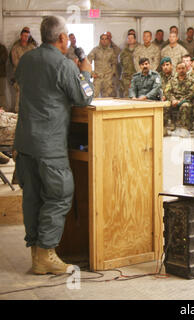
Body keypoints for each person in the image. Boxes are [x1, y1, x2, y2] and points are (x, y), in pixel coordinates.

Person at [14, 16, 94, 275]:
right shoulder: (64, 65)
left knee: (33, 197)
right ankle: (46, 253)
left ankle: (37, 255)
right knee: (59, 195)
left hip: (25, 142)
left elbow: (24, 85)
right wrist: (85, 72)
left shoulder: (26, 59)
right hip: (49, 145)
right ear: (61, 38)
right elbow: (83, 99)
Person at [164, 62, 194, 136]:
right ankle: (164, 128)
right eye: (179, 68)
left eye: (183, 68)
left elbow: (193, 93)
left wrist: (181, 100)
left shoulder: (192, 80)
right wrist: (173, 99)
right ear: (176, 70)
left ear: (186, 69)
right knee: (165, 105)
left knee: (185, 106)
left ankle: (184, 129)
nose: (181, 70)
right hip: (174, 100)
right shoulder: (172, 80)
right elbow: (167, 91)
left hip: (186, 101)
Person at [11, 28, 36, 112]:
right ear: (21, 36)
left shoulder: (32, 48)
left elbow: (36, 61)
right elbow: (16, 62)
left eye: (27, 36)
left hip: (31, 77)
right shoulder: (15, 48)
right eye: (24, 36)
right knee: (19, 96)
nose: (26, 38)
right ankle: (17, 115)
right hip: (20, 77)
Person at [88, 33, 117, 97]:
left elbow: (114, 63)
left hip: (107, 78)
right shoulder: (95, 50)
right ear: (100, 40)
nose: (104, 40)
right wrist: (92, 73)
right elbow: (88, 61)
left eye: (106, 39)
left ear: (108, 40)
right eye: (102, 39)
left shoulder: (111, 51)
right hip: (98, 76)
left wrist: (112, 73)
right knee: (94, 96)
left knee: (107, 97)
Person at [119, 33, 138, 97]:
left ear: (135, 40)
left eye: (132, 38)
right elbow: (120, 62)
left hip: (137, 76)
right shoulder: (123, 52)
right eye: (128, 38)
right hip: (126, 77)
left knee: (137, 95)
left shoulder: (138, 49)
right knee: (126, 95)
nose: (130, 40)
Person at [0, 42, 8, 109]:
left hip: (1, 75)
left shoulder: (2, 48)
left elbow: (3, 59)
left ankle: (3, 109)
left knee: (2, 93)